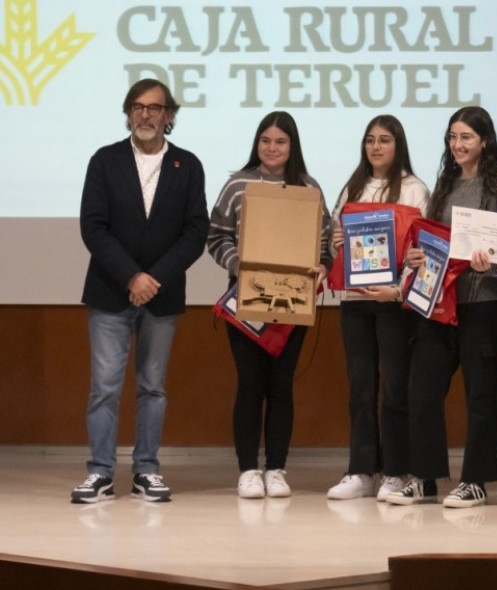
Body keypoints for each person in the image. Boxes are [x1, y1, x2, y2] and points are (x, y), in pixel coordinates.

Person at [72, 79, 209, 504]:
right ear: (128, 113)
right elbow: (92, 226)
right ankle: (100, 472)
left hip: (162, 296)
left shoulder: (187, 165)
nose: (145, 115)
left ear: (169, 115)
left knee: (153, 387)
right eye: (137, 107)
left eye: (154, 108)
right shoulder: (105, 160)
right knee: (104, 388)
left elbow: (195, 231)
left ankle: (146, 470)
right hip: (111, 291)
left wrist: (154, 279)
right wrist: (132, 276)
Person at [386, 106, 497, 509]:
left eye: (466, 137)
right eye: (452, 137)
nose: (457, 145)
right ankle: (424, 477)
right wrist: (415, 257)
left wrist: (493, 259)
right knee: (421, 388)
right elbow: (433, 240)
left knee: (481, 395)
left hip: (488, 304)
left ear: (485, 141)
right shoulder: (443, 184)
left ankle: (476, 480)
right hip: (440, 304)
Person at [207, 111, 332, 499]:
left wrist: (323, 267)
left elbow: (326, 244)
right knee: (249, 385)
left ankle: (276, 469)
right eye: (265, 140)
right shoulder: (237, 185)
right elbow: (216, 237)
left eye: (280, 141)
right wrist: (238, 264)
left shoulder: (309, 188)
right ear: (256, 143)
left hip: (294, 302)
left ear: (292, 146)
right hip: (247, 299)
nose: (272, 148)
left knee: (281, 388)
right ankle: (248, 470)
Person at [325, 115, 430, 501]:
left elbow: (421, 251)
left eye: (384, 140)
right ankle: (361, 470)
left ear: (398, 145)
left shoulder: (415, 189)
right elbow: (337, 245)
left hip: (393, 303)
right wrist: (337, 241)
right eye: (370, 140)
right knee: (361, 388)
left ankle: (396, 471)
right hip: (355, 302)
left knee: (395, 389)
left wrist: (398, 290)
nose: (376, 147)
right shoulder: (353, 187)